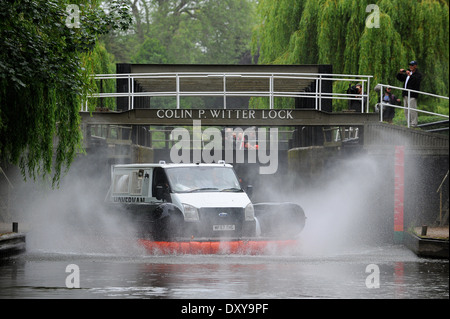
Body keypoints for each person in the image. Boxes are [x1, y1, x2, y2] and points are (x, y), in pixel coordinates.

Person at [396, 61, 423, 127]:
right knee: (406, 110)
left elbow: (416, 81)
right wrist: (400, 73)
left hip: (412, 95)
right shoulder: (408, 73)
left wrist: (410, 75)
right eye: (410, 65)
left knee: (412, 109)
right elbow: (400, 78)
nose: (410, 66)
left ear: (415, 66)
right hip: (405, 94)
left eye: (412, 65)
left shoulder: (418, 74)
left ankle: (414, 123)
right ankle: (408, 123)